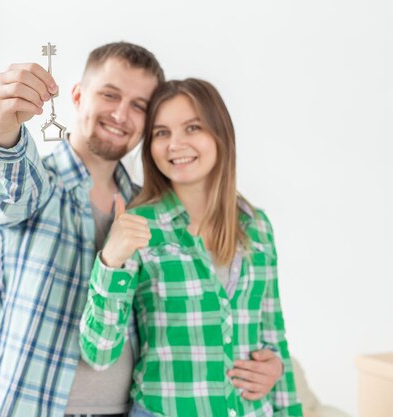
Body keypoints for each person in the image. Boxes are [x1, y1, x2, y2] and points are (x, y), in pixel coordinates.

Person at [0, 42, 285, 417]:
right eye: (110, 95)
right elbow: (12, 171)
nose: (121, 114)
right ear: (77, 96)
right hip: (31, 407)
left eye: (139, 106)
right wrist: (3, 125)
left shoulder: (148, 211)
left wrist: (271, 366)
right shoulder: (42, 186)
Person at [79, 78, 303, 417]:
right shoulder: (137, 225)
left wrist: (275, 371)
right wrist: (111, 261)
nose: (175, 144)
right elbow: (98, 352)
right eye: (162, 133)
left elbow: (275, 338)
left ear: (220, 134)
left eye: (192, 127)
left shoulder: (257, 227)